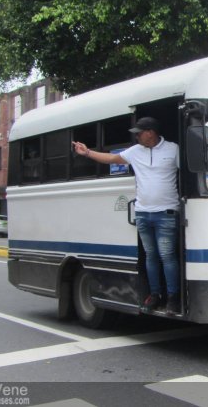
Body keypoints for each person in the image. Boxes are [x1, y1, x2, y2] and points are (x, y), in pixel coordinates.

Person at [72, 117, 180, 315]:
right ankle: (155, 295)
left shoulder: (173, 149)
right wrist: (87, 152)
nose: (137, 136)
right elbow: (112, 159)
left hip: (166, 212)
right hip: (142, 212)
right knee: (151, 256)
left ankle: (173, 297)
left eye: (139, 132)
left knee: (167, 256)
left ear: (151, 132)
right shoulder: (135, 151)